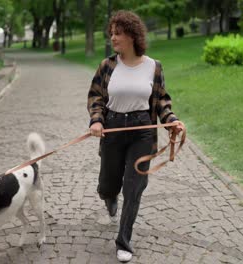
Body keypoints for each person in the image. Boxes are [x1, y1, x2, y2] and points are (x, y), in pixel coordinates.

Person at [87, 10, 185, 263]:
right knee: (108, 184)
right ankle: (109, 198)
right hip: (113, 128)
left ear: (132, 35)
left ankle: (124, 241)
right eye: (111, 33)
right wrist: (97, 120)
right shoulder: (107, 65)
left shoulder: (154, 67)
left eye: (118, 33)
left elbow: (162, 100)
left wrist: (171, 121)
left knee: (134, 187)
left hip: (142, 130)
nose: (113, 38)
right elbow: (96, 96)